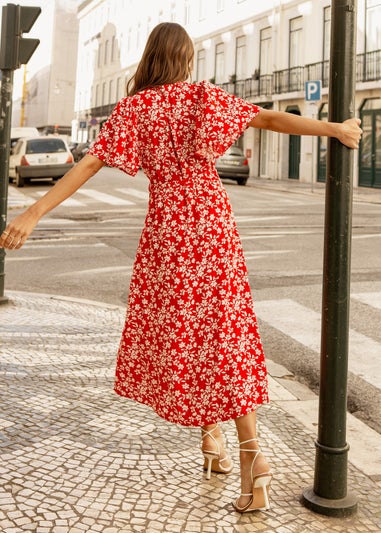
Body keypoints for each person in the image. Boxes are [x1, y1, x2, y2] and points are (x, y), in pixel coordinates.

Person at [0, 22, 362, 513]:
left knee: (190, 334)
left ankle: (219, 442)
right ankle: (247, 453)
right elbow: (271, 121)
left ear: (150, 59)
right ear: (186, 60)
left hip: (169, 232)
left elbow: (87, 166)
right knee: (224, 332)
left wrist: (33, 211)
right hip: (213, 224)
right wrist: (335, 129)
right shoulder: (203, 99)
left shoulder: (136, 109)